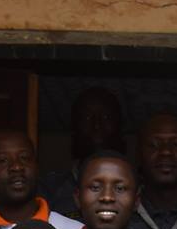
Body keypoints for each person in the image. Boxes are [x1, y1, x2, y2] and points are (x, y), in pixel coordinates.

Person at [44, 85, 127, 218]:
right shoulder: (51, 189)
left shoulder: (138, 187)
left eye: (105, 117)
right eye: (87, 118)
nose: (97, 125)